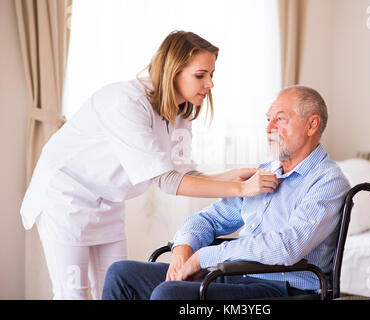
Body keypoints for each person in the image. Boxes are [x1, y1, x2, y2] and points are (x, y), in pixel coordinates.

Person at [19, 31, 280, 300]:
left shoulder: (181, 111)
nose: (210, 83)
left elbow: (184, 173)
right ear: (173, 71)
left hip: (108, 202)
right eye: (201, 75)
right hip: (66, 198)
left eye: (212, 74)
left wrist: (232, 176)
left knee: (116, 288)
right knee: (73, 293)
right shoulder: (126, 102)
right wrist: (242, 189)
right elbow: (166, 181)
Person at [102, 85, 352, 300]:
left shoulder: (328, 181)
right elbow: (208, 219)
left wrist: (204, 257)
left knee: (169, 295)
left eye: (280, 119)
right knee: (121, 274)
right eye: (268, 120)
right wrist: (183, 249)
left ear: (312, 124)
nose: (269, 129)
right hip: (233, 275)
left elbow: (287, 246)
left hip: (283, 288)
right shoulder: (264, 174)